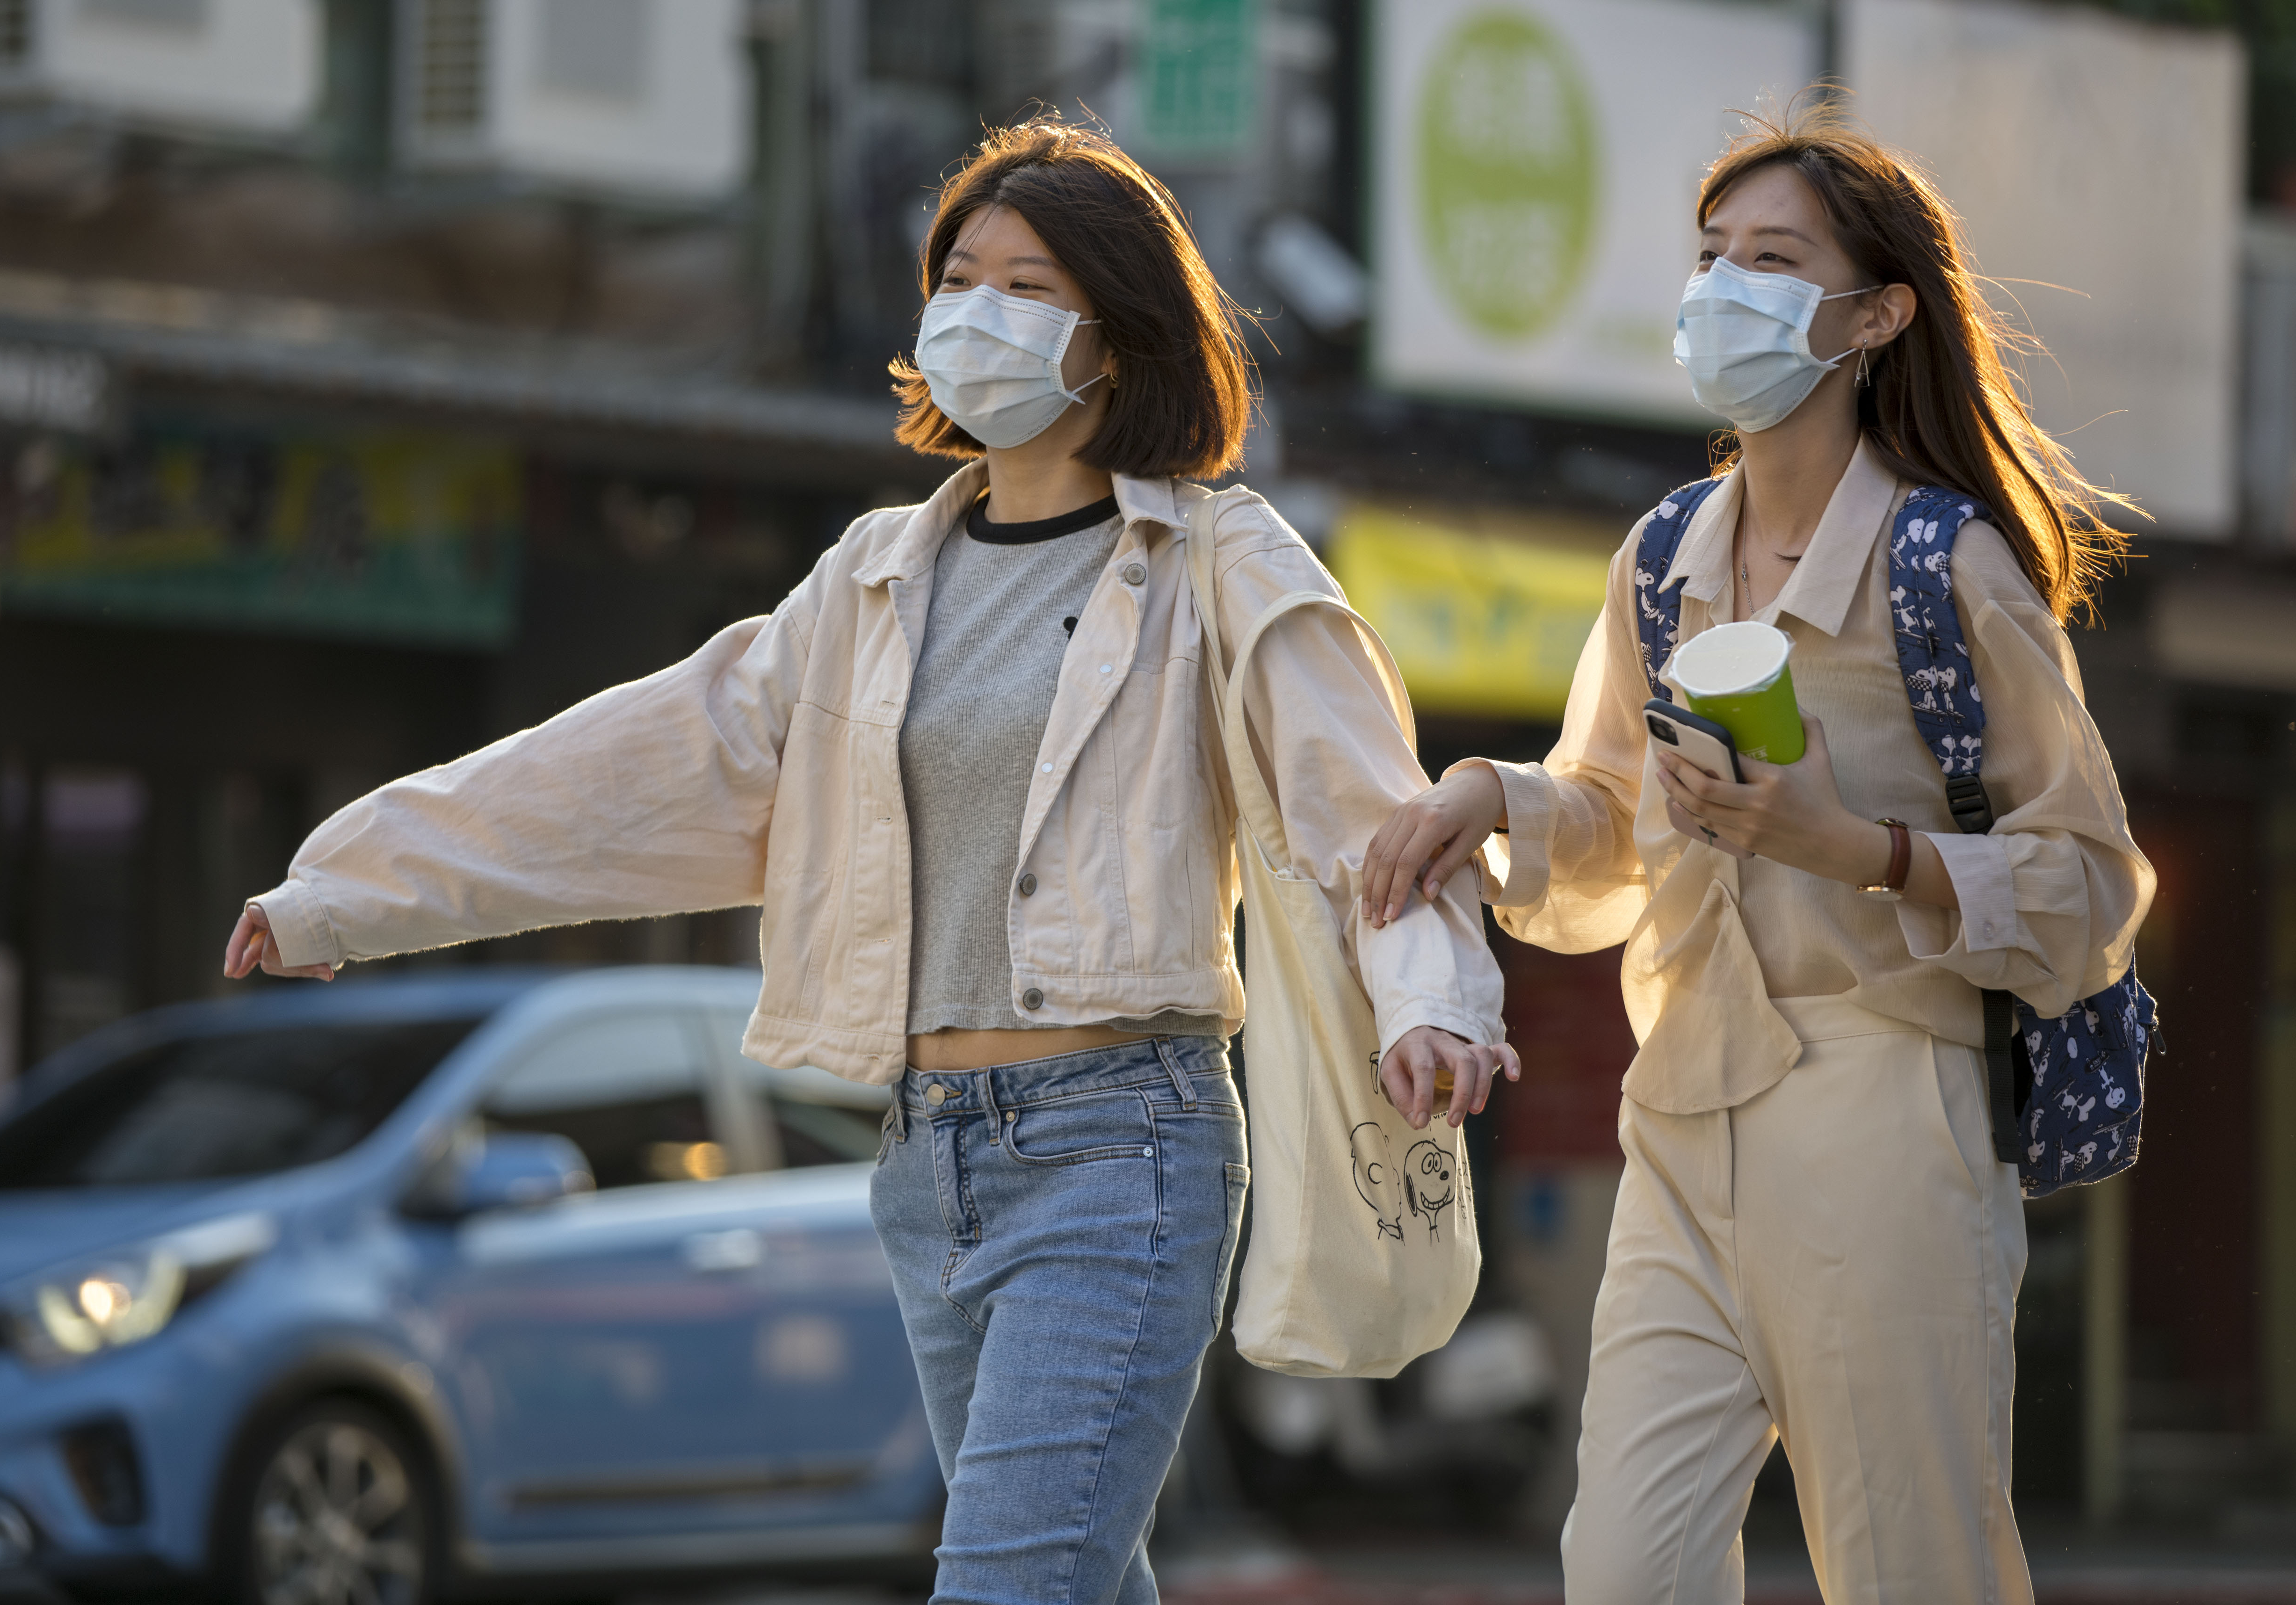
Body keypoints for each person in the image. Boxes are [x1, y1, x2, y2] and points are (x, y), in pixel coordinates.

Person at [223, 119, 1519, 1605]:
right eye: (960, 276)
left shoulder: (1219, 564)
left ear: (1122, 336)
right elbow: (638, 761)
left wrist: (1435, 1002)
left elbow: (1365, 813)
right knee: (1073, 1585)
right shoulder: (876, 575)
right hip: (928, 1157)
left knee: (1010, 1586)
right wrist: (349, 889)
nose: (979, 311)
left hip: (1121, 1148)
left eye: (1030, 287)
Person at [1362, 106, 2153, 1605]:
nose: (1723, 289)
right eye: (1712, 257)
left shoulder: (1949, 566)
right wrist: (1493, 798)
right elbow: (1612, 831)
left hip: (1888, 1110)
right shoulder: (1663, 559)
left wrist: (1856, 849)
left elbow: (2095, 887)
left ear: (1875, 315)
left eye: (1773, 260)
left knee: (1910, 1568)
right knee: (1624, 1569)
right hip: (1682, 1116)